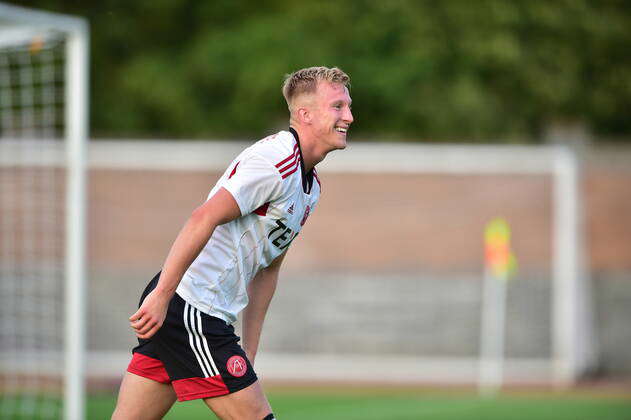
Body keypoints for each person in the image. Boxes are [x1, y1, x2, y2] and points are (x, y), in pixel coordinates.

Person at [111, 66, 353, 420]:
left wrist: (249, 351)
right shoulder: (275, 162)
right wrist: (162, 295)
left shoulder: (310, 187)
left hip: (196, 311)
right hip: (192, 306)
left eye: (347, 106)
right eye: (338, 107)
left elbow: (268, 269)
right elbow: (202, 217)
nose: (349, 115)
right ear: (305, 114)